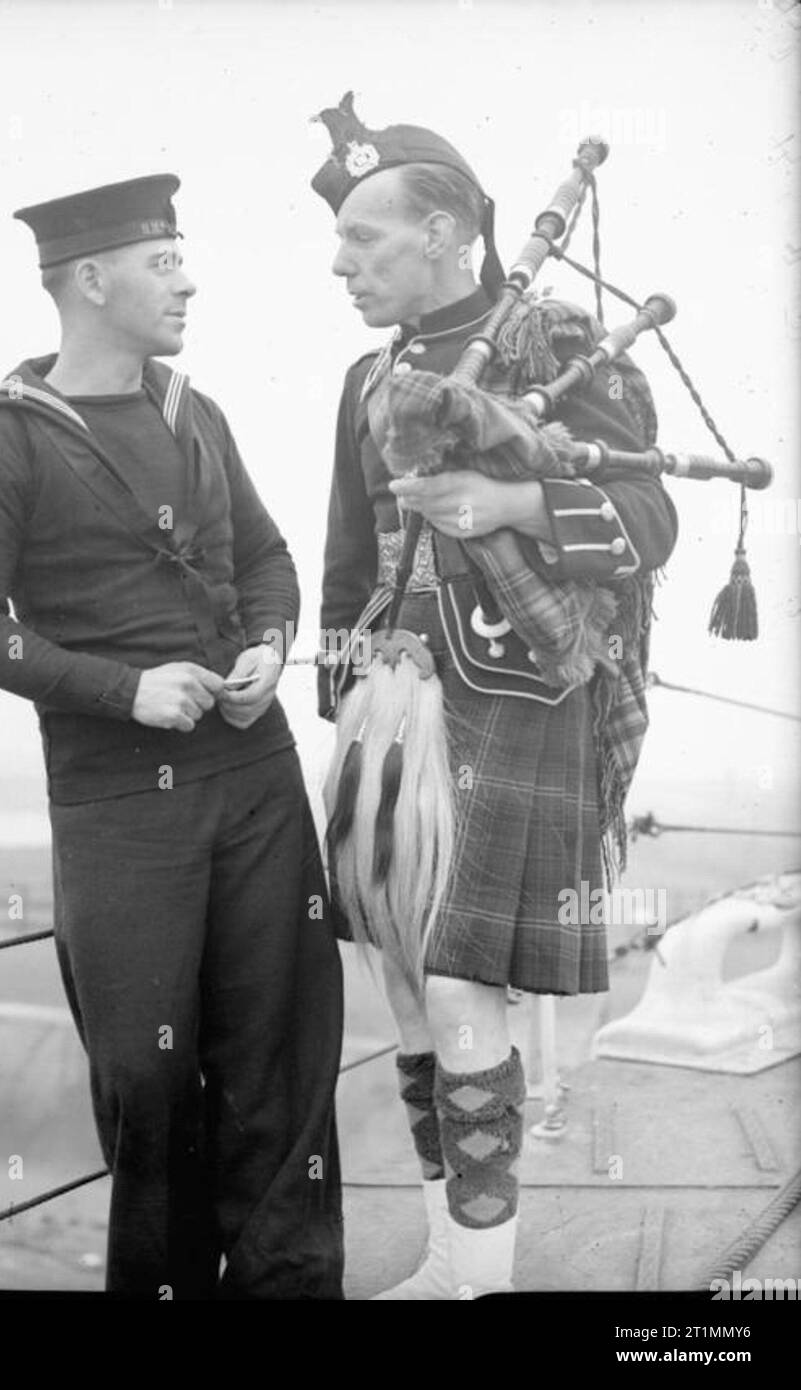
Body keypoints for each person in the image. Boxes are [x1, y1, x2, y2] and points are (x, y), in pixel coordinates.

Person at [0, 174, 344, 1300]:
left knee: (284, 1078)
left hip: (256, 779)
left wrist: (267, 643)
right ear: (91, 279)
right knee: (150, 1096)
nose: (188, 279)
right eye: (163, 264)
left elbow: (268, 561)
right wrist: (124, 691)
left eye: (182, 257)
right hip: (121, 807)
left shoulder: (196, 413)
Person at [310, 95, 678, 1299]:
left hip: (519, 699)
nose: (343, 260)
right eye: (342, 239)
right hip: (394, 712)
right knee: (408, 983)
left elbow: (654, 520)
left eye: (368, 234)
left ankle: (478, 1279)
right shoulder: (376, 373)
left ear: (455, 230)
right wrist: (346, 692)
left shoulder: (555, 337)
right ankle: (446, 1259)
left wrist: (521, 506)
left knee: (465, 983)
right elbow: (349, 565)